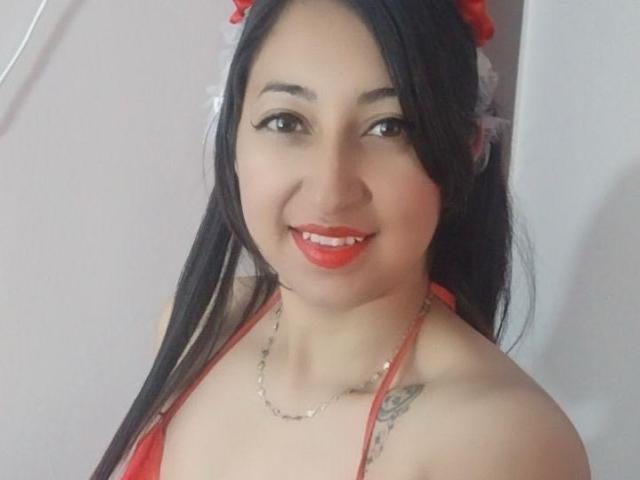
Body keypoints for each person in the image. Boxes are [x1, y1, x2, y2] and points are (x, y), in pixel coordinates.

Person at [92, 0, 591, 478]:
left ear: (469, 147)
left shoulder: (497, 442)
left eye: (389, 128)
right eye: (286, 121)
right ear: (230, 129)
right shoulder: (196, 328)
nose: (330, 192)